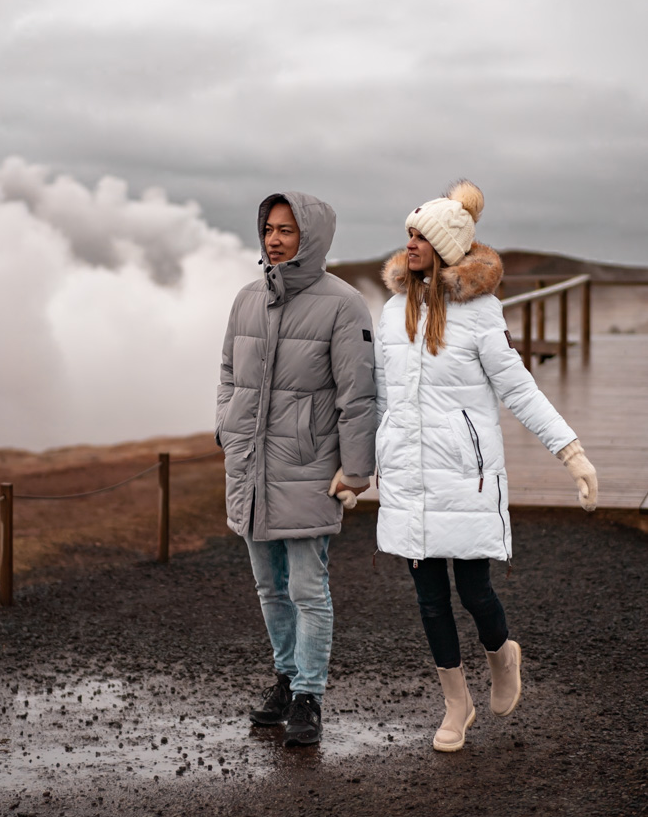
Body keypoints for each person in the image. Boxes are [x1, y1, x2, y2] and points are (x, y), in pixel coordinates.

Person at [373, 179, 598, 752]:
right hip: (409, 476)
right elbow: (380, 398)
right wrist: (359, 469)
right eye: (409, 233)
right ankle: (456, 704)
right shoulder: (393, 309)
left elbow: (518, 389)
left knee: (474, 592)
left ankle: (502, 654)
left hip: (466, 475)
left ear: (447, 246)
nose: (411, 243)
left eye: (422, 235)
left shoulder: (479, 313)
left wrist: (570, 451)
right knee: (428, 599)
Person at [216, 192, 377, 746]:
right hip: (251, 466)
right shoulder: (245, 300)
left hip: (308, 466)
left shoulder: (344, 305)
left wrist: (356, 471)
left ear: (312, 236)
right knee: (269, 587)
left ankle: (310, 695)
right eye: (269, 228)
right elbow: (227, 373)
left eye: (288, 229)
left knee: (308, 586)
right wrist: (226, 427)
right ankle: (285, 679)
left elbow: (359, 396)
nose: (275, 239)